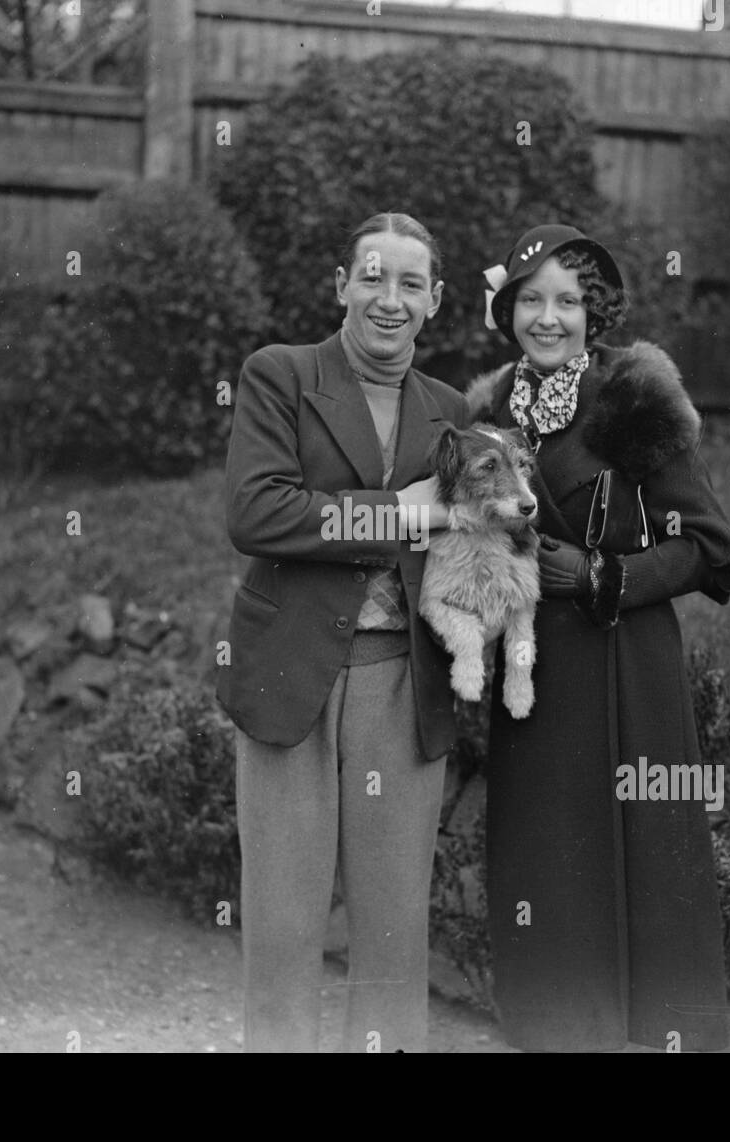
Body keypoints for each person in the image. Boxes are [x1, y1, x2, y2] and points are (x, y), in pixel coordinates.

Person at [470, 223, 730, 1052]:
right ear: (506, 310)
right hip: (533, 670)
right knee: (547, 849)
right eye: (530, 300)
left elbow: (715, 552)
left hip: (626, 661)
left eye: (568, 301)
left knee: (640, 845)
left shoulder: (630, 393)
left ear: (595, 312)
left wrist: (601, 575)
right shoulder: (487, 413)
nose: (548, 318)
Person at [216, 212, 468, 1053]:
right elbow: (258, 511)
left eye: (409, 284)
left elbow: (468, 536)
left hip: (402, 680)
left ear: (434, 301)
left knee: (395, 927)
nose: (388, 300)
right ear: (340, 285)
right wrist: (401, 512)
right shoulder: (280, 376)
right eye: (372, 277)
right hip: (293, 672)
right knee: (284, 920)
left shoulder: (450, 410)